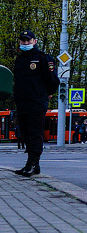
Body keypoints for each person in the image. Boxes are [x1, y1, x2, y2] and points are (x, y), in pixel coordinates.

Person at [12, 30, 60, 177]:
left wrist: (48, 93)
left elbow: (53, 79)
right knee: (25, 132)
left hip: (37, 101)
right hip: (22, 102)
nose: (25, 43)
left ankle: (32, 163)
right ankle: (34, 165)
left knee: (34, 132)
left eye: (28, 41)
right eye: (23, 41)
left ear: (34, 41)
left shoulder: (43, 58)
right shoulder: (20, 60)